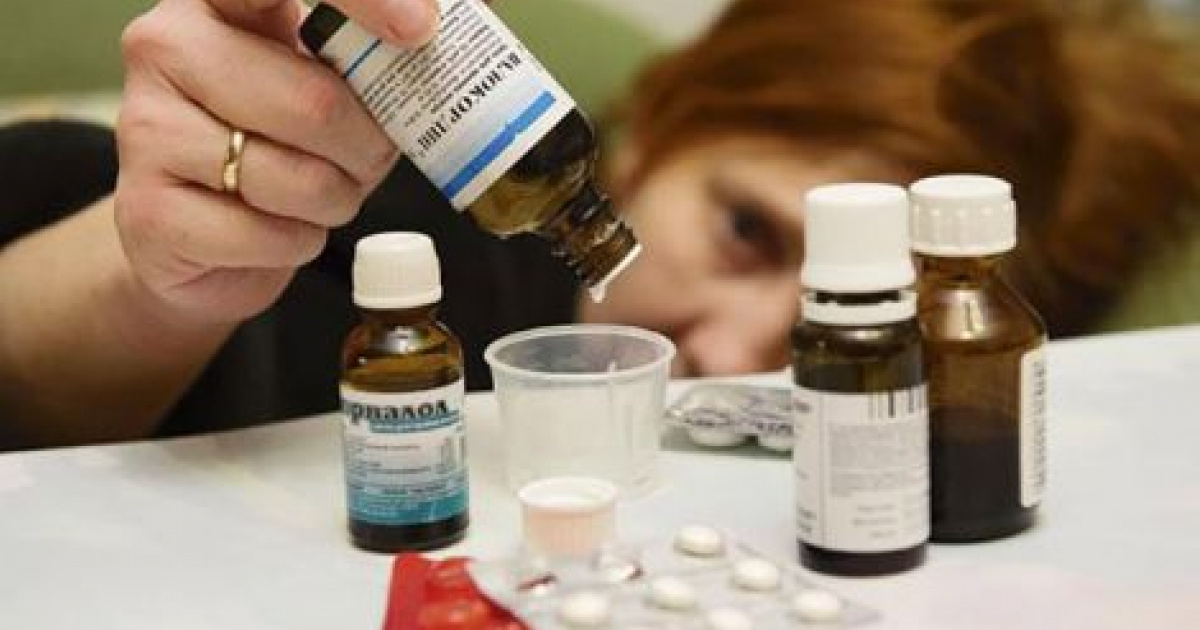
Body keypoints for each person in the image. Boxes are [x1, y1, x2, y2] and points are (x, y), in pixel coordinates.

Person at [1, 0, 1197, 451]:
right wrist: (151, 279)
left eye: (856, 303)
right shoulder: (406, 220)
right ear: (664, 119)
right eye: (747, 232)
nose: (734, 354)